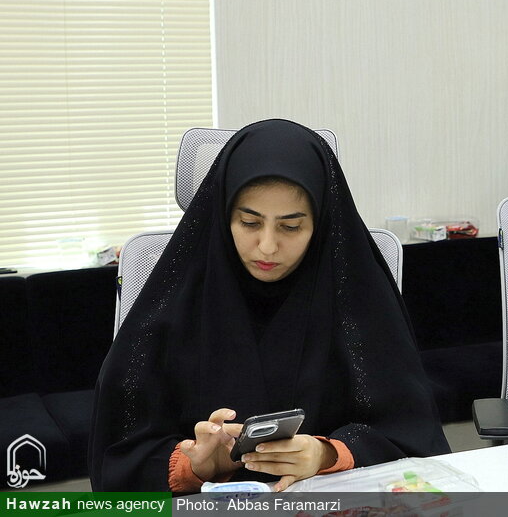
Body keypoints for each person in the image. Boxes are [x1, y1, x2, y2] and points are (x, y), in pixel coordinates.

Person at [90, 119, 449, 492]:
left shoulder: (357, 304)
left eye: (290, 227)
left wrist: (327, 454)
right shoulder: (169, 311)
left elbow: (412, 436)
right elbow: (117, 457)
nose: (267, 246)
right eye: (249, 222)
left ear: (322, 222)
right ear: (223, 216)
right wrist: (194, 465)